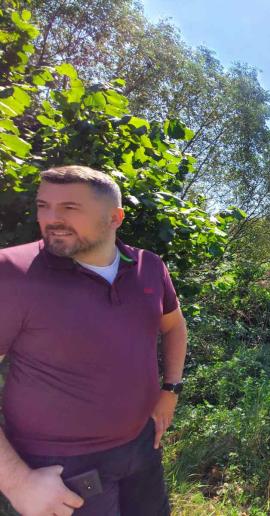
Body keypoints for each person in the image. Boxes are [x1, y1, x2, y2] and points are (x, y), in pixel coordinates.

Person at [0, 165, 188, 515]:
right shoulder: (12, 272)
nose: (51, 220)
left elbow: (174, 326)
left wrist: (171, 390)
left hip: (142, 445)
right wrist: (18, 482)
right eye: (43, 206)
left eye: (70, 208)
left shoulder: (147, 266)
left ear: (115, 218)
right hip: (60, 466)